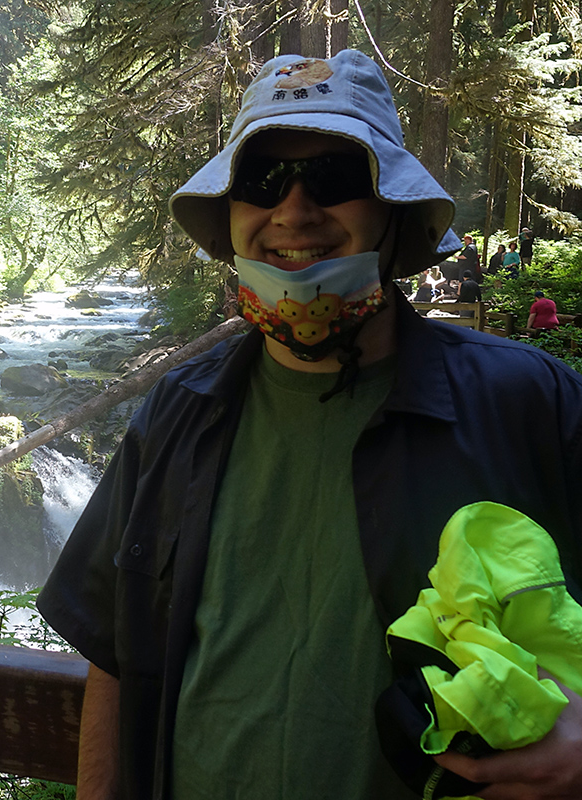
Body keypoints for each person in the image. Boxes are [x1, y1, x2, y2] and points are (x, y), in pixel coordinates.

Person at [38, 49, 582, 800]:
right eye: (261, 181)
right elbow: (114, 656)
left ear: (390, 209)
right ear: (230, 215)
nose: (293, 211)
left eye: (335, 176)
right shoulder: (177, 411)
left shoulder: (527, 402)